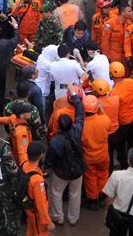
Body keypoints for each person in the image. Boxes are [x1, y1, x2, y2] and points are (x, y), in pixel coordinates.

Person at [45, 93, 85, 226]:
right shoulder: (77, 130)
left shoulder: (55, 141)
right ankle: (73, 218)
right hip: (77, 170)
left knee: (56, 193)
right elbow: (80, 114)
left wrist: (45, 168)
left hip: (61, 172)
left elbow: (50, 160)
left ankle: (58, 217)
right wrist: (75, 98)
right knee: (75, 193)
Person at [111, 62, 133, 169]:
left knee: (121, 144)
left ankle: (124, 163)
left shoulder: (113, 93)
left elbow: (114, 110)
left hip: (123, 122)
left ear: (111, 75)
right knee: (132, 139)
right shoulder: (132, 82)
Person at [22, 140, 53, 235]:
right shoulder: (37, 180)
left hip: (28, 210)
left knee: (30, 230)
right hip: (37, 215)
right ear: (41, 156)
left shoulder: (24, 165)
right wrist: (48, 222)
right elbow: (41, 204)